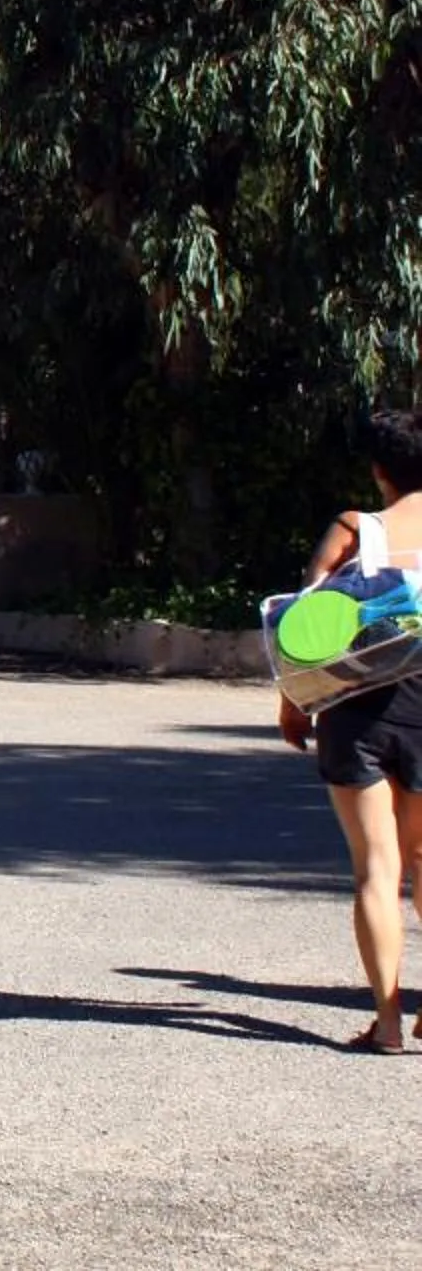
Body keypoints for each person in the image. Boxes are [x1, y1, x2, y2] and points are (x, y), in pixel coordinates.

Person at [275, 408, 422, 1054]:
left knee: (377, 870)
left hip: (357, 711)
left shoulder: (355, 528)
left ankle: (387, 1026)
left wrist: (292, 706)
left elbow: (303, 633)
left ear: (377, 469)